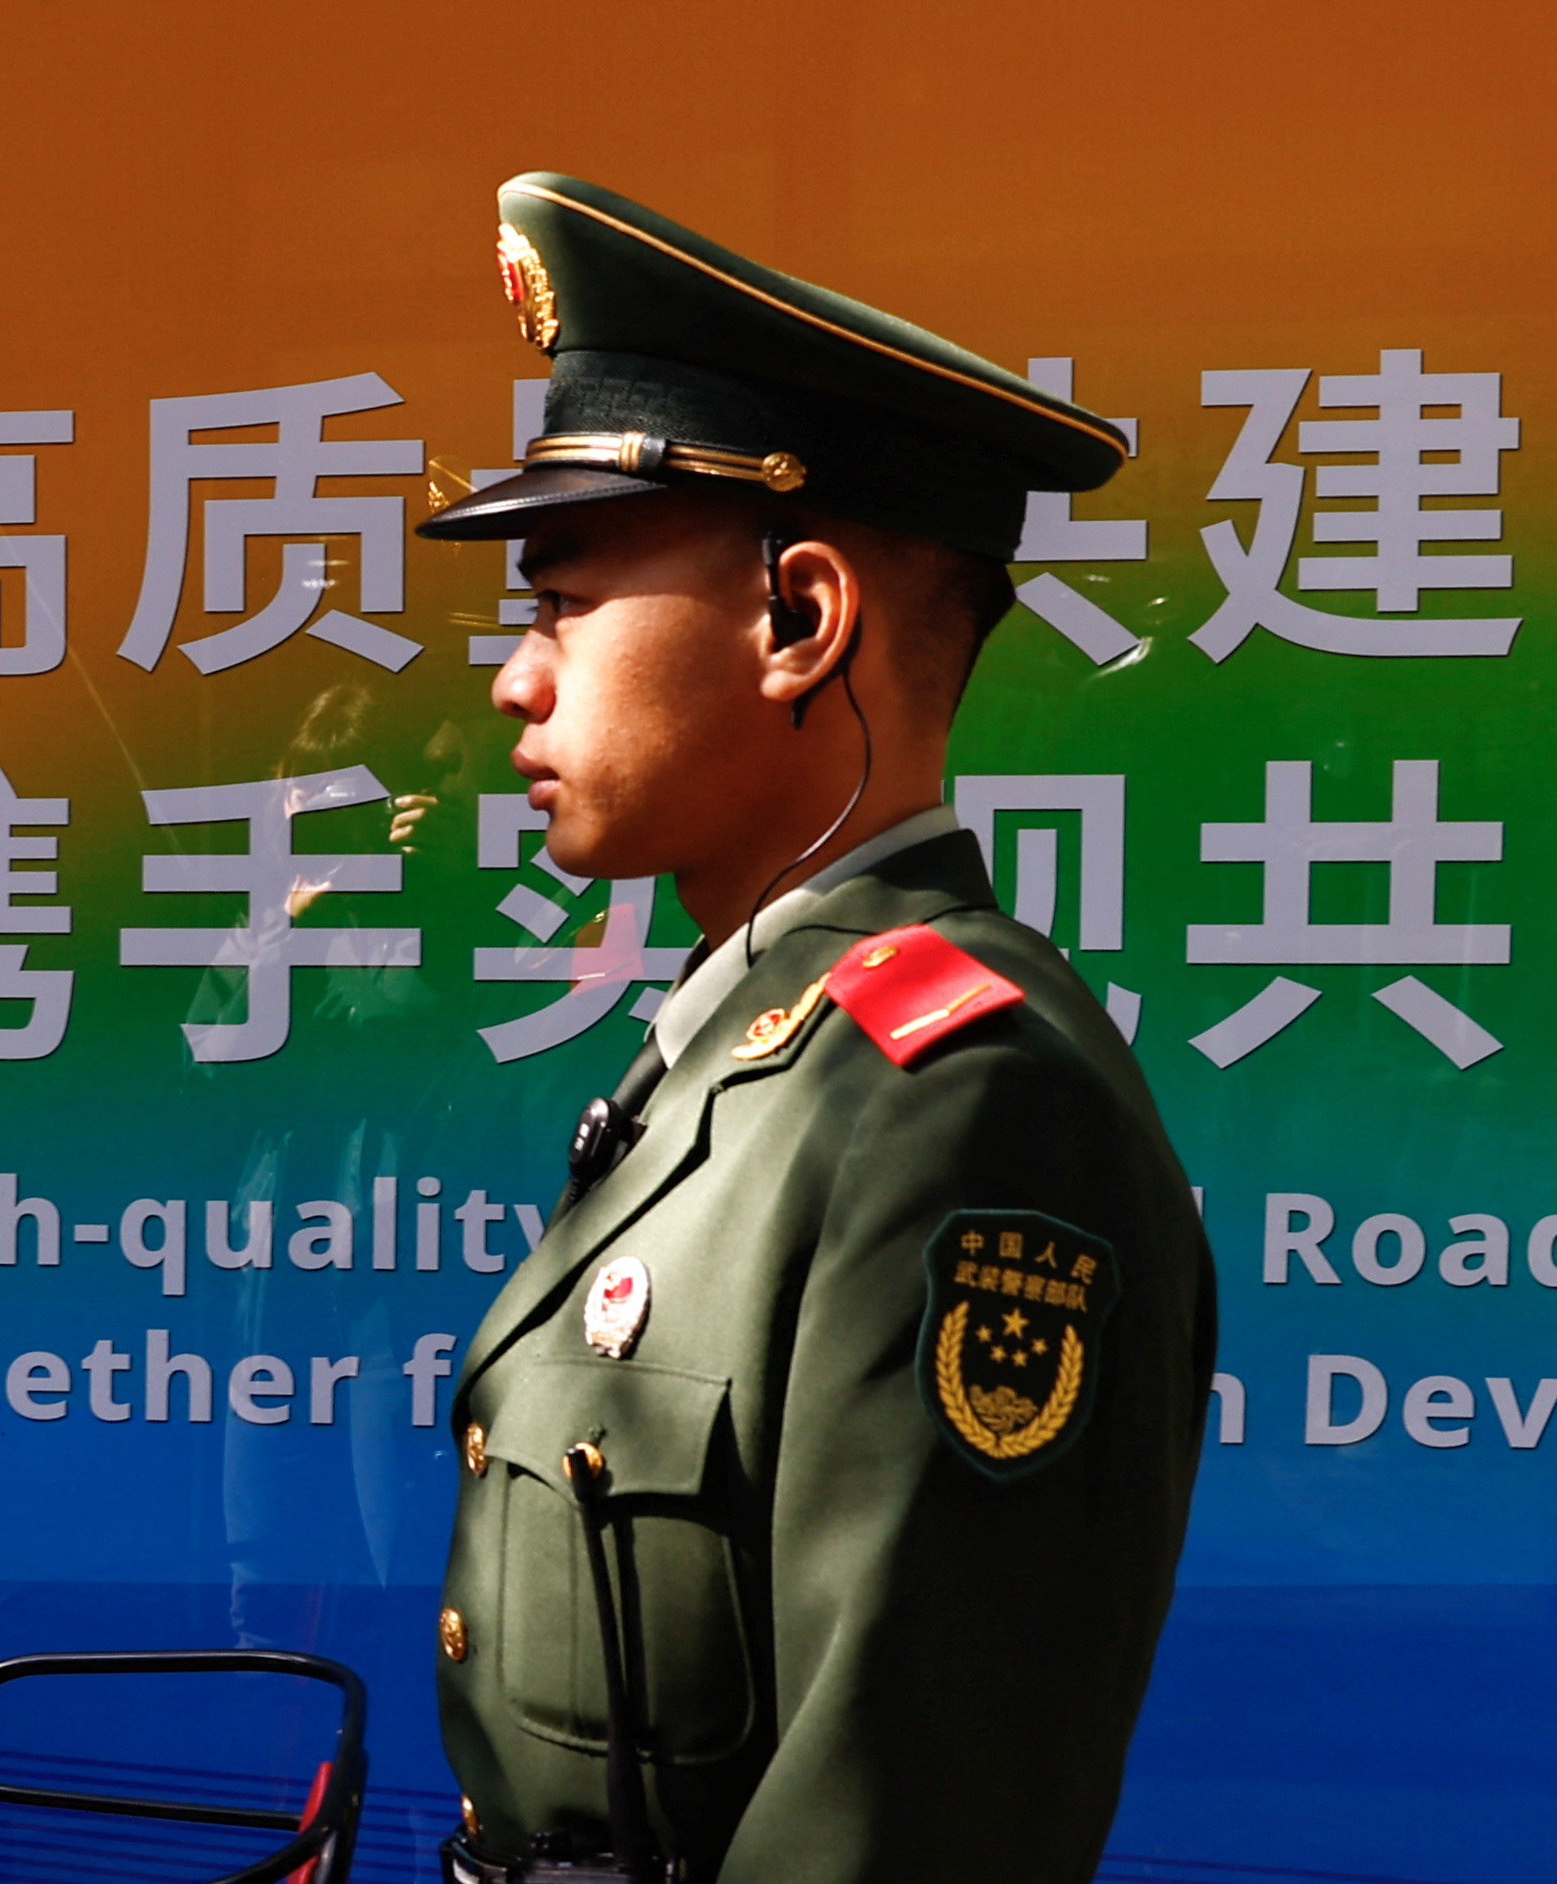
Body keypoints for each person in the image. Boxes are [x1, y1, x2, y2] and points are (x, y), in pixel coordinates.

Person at [414, 173, 1216, 1884]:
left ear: (797, 620)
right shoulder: (754, 1056)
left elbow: (910, 1818)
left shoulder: (965, 1103)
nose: (516, 678)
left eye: (559, 604)